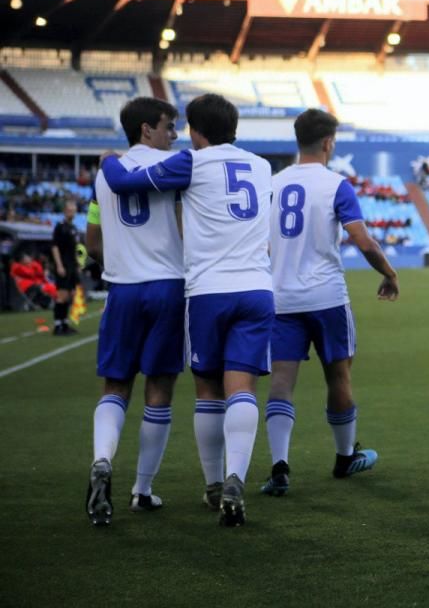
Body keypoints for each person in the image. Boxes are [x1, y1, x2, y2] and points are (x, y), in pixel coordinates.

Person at [99, 93, 274, 527]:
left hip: (208, 291)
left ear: (196, 132)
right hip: (257, 287)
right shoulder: (263, 166)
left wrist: (105, 159)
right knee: (243, 388)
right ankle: (237, 475)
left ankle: (216, 483)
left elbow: (124, 183)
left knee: (208, 391)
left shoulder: (191, 164)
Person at [260, 109, 399, 497]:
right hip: (326, 298)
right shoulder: (336, 185)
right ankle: (343, 458)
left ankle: (280, 467)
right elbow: (363, 240)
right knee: (338, 376)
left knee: (282, 384)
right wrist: (389, 273)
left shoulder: (273, 184)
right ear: (327, 142)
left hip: (282, 296)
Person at [82, 97, 186, 526]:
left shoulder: (104, 178)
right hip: (165, 286)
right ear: (147, 129)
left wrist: (122, 257)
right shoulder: (170, 169)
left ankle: (103, 460)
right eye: (168, 126)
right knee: (159, 389)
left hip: (121, 290)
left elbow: (92, 242)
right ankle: (142, 490)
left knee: (115, 385)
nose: (174, 135)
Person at [50, 200, 81, 335]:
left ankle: (65, 323)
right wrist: (59, 265)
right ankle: (58, 325)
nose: (72, 213)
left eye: (74, 211)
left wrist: (77, 264)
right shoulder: (60, 227)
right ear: (64, 211)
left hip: (72, 266)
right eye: (69, 210)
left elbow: (74, 249)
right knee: (61, 296)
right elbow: (55, 246)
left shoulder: (73, 228)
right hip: (63, 266)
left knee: (70, 295)